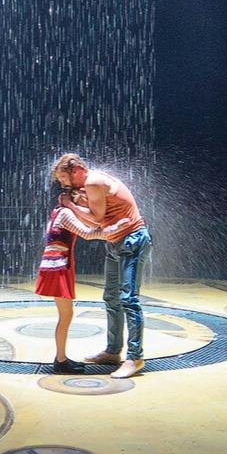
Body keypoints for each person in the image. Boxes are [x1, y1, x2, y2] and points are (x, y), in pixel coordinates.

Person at [51, 152, 152, 377]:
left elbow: (96, 218)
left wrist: (70, 205)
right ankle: (113, 351)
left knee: (129, 299)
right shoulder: (89, 185)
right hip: (116, 242)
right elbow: (97, 221)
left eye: (63, 178)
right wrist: (76, 205)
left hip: (132, 240)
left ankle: (135, 358)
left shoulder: (93, 182)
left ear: (75, 170)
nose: (62, 184)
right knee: (111, 298)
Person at [32, 186, 119, 374]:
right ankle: (60, 361)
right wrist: (115, 230)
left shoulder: (59, 211)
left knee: (66, 315)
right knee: (66, 315)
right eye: (85, 200)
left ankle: (61, 358)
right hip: (58, 267)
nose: (88, 205)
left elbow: (88, 227)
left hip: (58, 265)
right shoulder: (65, 213)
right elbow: (87, 233)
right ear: (77, 197)